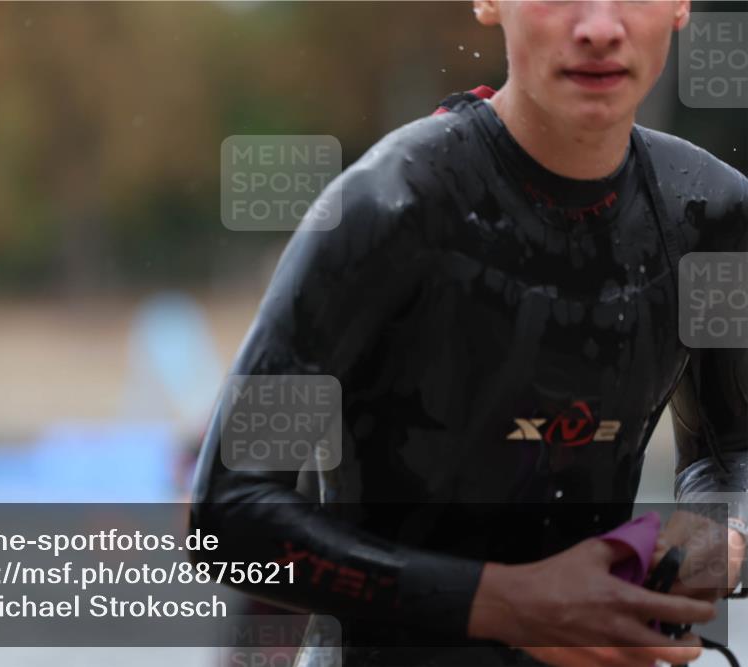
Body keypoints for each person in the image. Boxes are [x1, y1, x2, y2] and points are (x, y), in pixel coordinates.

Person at [190, 1, 747, 665]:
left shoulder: (711, 216)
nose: (600, 25)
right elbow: (231, 513)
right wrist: (512, 605)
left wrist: (725, 538)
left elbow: (731, 449)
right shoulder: (383, 209)